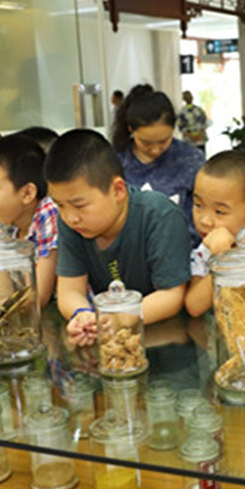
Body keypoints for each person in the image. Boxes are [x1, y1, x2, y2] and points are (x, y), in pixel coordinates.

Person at [46, 129, 190, 345]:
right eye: (60, 205)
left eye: (79, 205)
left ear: (118, 190)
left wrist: (120, 318)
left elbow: (171, 296)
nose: (70, 217)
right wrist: (82, 315)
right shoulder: (71, 224)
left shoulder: (159, 216)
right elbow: (69, 290)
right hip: (113, 340)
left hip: (166, 339)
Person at [111, 85, 205, 245]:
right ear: (131, 130)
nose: (155, 150)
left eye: (163, 141)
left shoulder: (190, 159)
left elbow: (204, 213)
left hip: (183, 252)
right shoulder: (115, 161)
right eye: (146, 142)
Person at [0, 134, 59, 310]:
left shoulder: (48, 213)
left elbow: (38, 297)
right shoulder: (8, 224)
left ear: (27, 193)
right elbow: (3, 289)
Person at [185, 150, 245, 317]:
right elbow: (194, 306)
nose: (205, 221)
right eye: (198, 205)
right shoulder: (203, 252)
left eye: (220, 212)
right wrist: (220, 258)